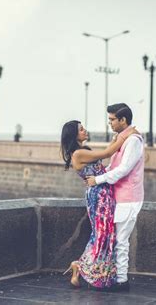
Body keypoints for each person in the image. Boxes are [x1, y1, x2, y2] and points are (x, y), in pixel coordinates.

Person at [60, 119, 138, 290]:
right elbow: (107, 153)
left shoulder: (84, 151)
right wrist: (127, 134)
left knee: (105, 233)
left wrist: (117, 139)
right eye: (81, 129)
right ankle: (80, 266)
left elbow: (104, 164)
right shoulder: (78, 154)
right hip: (98, 197)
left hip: (104, 194)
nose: (85, 130)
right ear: (74, 134)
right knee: (101, 234)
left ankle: (87, 269)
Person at [86, 103, 145, 292]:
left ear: (123, 120)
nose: (109, 122)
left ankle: (122, 281)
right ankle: (116, 278)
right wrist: (98, 177)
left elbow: (124, 169)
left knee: (121, 241)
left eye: (112, 119)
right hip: (120, 197)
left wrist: (98, 179)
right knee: (117, 240)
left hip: (129, 198)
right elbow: (113, 166)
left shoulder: (133, 141)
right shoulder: (123, 140)